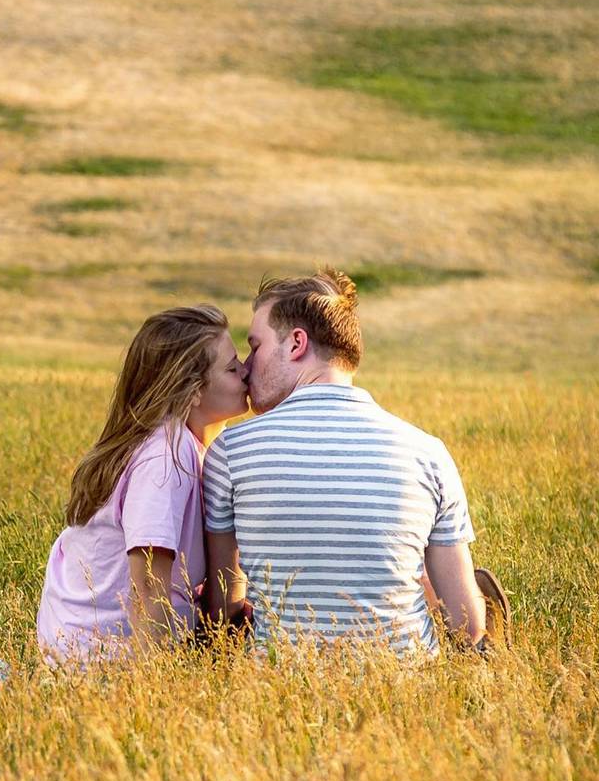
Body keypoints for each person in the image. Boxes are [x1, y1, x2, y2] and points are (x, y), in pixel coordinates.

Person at [203, 268, 488, 658]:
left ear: (296, 343)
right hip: (406, 697)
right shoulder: (429, 452)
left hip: (275, 699)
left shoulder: (231, 451)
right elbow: (467, 627)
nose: (248, 366)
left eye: (256, 345)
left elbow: (224, 611)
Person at [37, 305, 249, 664]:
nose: (247, 372)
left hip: (99, 647)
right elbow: (149, 587)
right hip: (103, 659)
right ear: (192, 391)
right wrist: (153, 692)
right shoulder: (166, 459)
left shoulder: (185, 446)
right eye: (231, 368)